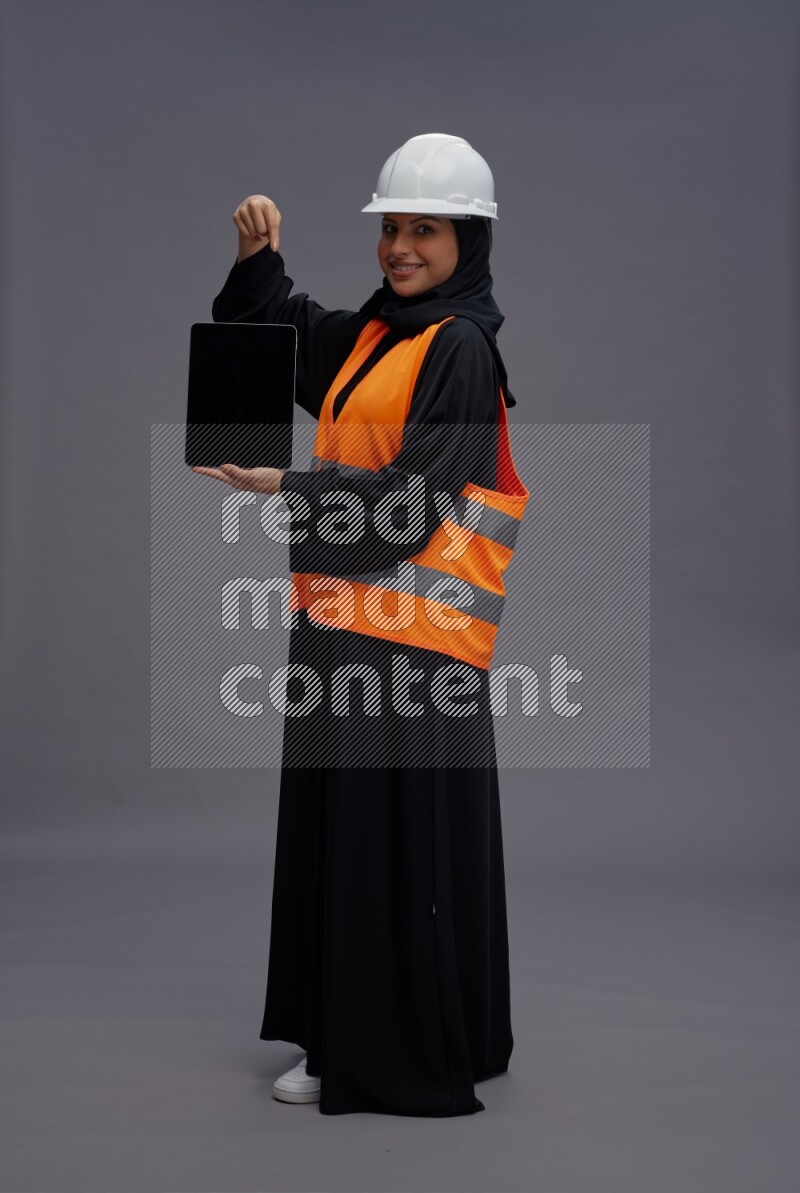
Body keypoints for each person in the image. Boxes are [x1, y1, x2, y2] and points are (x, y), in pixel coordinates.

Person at [197, 133, 529, 1117]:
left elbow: (408, 507)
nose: (400, 247)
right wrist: (260, 262)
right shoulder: (380, 335)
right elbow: (284, 333)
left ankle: (379, 1052)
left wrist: (281, 486)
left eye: (423, 230)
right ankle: (378, 1026)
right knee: (350, 839)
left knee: (391, 848)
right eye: (391, 227)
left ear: (466, 241)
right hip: (343, 627)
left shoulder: (460, 347)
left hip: (414, 651)